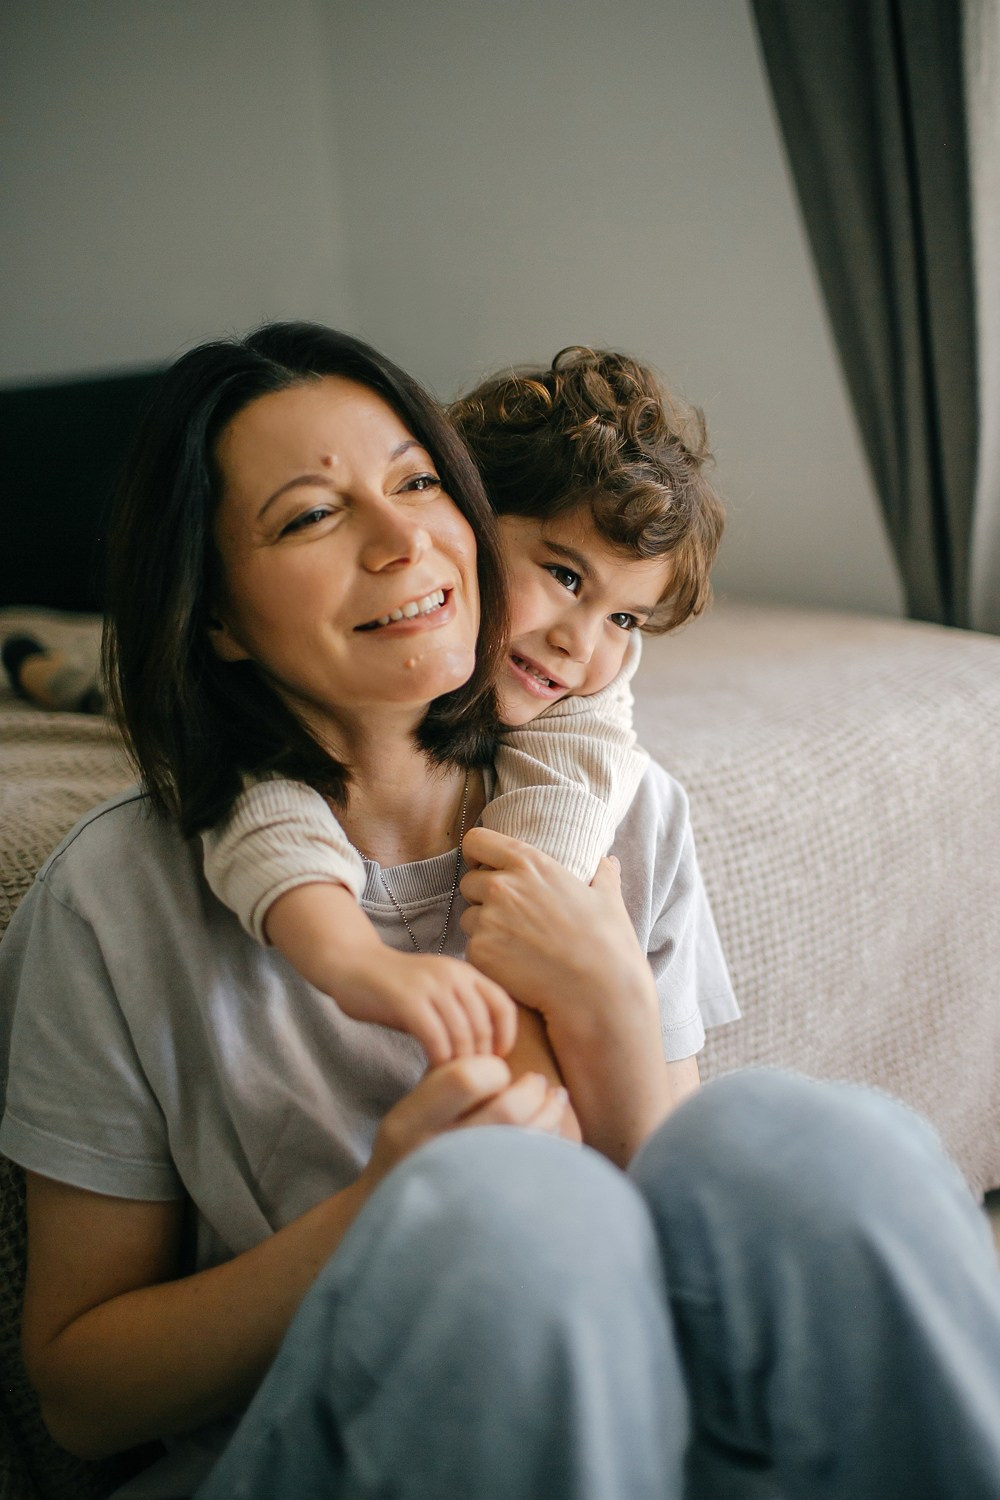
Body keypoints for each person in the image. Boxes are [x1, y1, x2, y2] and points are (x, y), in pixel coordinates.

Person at [1, 323, 999, 1500]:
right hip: (335, 1445)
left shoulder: (625, 810)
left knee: (815, 1143)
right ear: (215, 614)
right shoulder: (114, 896)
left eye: (418, 481)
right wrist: (382, 1214)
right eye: (312, 514)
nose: (401, 537)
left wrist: (616, 999)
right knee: (505, 1220)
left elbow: (663, 1191)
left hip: (647, 1413)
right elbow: (78, 1395)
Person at [200, 346, 721, 1071]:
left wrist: (576, 979)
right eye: (566, 576)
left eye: (626, 620)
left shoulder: (592, 707)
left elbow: (552, 833)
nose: (579, 644)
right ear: (471, 514)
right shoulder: (292, 705)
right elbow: (256, 796)